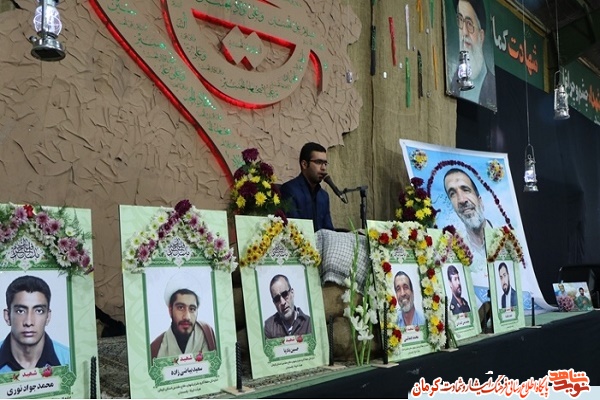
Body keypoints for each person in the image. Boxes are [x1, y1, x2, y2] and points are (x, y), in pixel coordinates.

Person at [0, 275, 70, 372]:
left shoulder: (70, 360)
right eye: (20, 311)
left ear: (48, 317)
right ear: (7, 316)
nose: (29, 322)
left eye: (39, 311)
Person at [150, 273, 216, 359]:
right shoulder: (155, 349)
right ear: (170, 310)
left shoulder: (207, 334)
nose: (187, 317)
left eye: (192, 309)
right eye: (180, 307)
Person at [449, 0, 496, 109]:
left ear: (481, 36)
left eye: (469, 24)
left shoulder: (492, 88)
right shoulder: (453, 83)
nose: (464, 32)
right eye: (460, 20)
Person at [280, 142, 334, 231]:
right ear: (304, 164)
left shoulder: (324, 196)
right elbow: (294, 229)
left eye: (325, 163)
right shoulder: (289, 190)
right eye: (318, 162)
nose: (323, 168)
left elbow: (329, 230)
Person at [264, 274, 311, 339]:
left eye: (285, 294)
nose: (282, 302)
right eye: (277, 299)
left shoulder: (309, 324)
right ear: (274, 303)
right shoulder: (269, 327)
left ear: (292, 293)